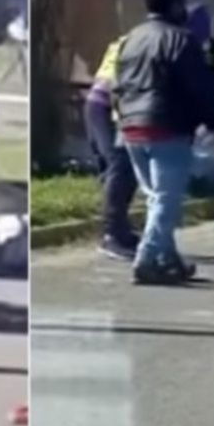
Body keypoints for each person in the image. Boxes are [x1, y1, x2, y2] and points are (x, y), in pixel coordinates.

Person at [113, 0, 214, 285]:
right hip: (166, 126)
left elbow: (118, 83)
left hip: (131, 127)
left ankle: (167, 259)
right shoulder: (181, 39)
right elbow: (200, 86)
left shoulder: (132, 38)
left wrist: (123, 117)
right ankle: (147, 258)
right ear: (175, 4)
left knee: (157, 200)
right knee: (166, 200)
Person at [83, 33, 140, 260]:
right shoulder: (136, 44)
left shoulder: (127, 40)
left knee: (123, 170)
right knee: (120, 165)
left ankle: (121, 229)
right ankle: (112, 235)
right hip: (107, 106)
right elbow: (116, 83)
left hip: (101, 104)